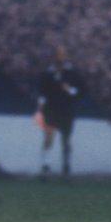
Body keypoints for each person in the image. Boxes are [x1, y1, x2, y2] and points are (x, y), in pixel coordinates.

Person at [35, 46, 85, 178]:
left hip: (67, 110)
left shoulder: (73, 73)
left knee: (66, 139)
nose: (59, 57)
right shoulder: (48, 73)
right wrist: (40, 107)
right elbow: (42, 92)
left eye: (62, 54)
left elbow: (81, 91)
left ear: (66, 56)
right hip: (51, 109)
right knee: (48, 137)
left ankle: (66, 167)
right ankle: (45, 166)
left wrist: (70, 90)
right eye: (57, 54)